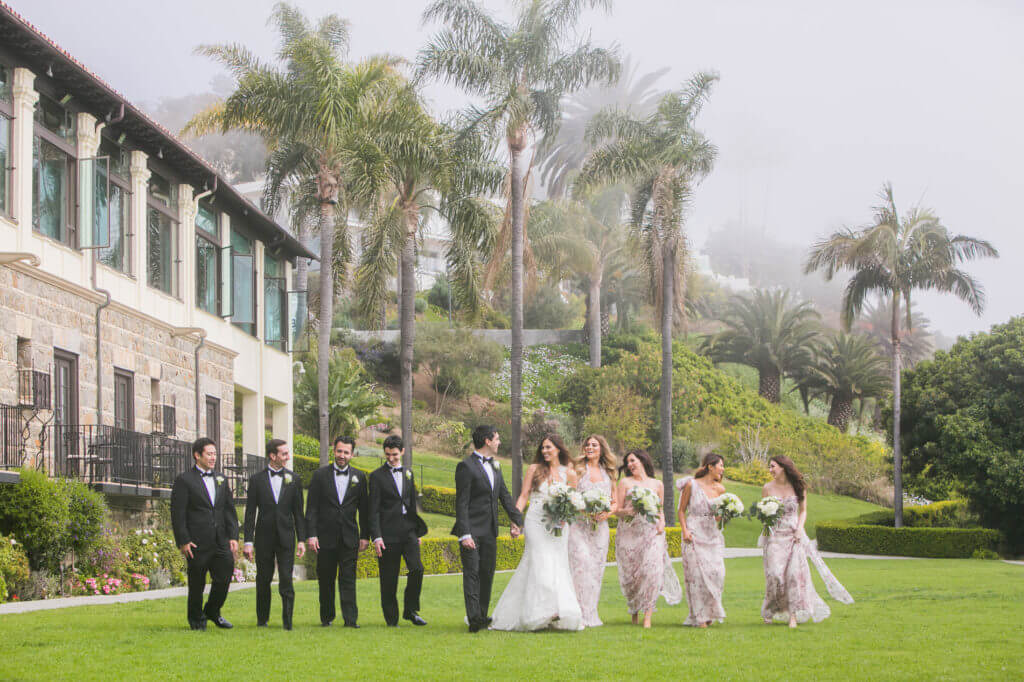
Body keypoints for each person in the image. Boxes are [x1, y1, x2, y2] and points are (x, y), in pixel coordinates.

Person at [490, 434, 584, 632]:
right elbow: (524, 496)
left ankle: (556, 609)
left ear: (558, 449)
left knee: (557, 564)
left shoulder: (570, 473)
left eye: (549, 447)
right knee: (539, 561)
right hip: (535, 521)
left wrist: (563, 518)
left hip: (558, 525)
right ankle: (540, 612)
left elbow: (573, 502)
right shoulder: (534, 469)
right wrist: (516, 520)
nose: (545, 451)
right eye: (543, 448)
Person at [760, 455, 854, 627]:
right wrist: (766, 518)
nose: (770, 470)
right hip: (774, 536)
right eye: (770, 467)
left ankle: (793, 616)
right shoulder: (767, 488)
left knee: (795, 575)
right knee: (774, 575)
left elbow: (803, 511)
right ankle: (770, 610)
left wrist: (799, 528)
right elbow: (763, 510)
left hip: (794, 535)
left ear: (783, 467)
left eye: (772, 466)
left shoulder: (798, 487)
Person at [452, 425, 524, 633]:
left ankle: (482, 615)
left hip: (490, 531)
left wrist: (518, 521)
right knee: (472, 574)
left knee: (487, 573)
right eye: (497, 438)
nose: (499, 442)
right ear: (487, 440)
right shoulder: (465, 467)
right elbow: (462, 503)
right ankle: (474, 618)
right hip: (472, 531)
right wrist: (464, 533)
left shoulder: (496, 466)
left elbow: (505, 497)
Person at [170, 437, 239, 631]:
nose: (213, 458)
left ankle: (212, 611)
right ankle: (196, 620)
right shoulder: (184, 480)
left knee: (224, 577)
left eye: (215, 454)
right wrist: (184, 540)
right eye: (209, 454)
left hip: (220, 540)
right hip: (197, 542)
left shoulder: (221, 479)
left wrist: (233, 536)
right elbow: (178, 513)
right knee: (197, 583)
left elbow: (229, 510)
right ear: (197, 455)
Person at [613, 449, 682, 628]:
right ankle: (634, 611)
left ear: (643, 461)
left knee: (652, 572)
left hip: (652, 534)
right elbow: (617, 510)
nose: (630, 464)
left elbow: (660, 510)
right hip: (629, 533)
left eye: (633, 460)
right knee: (632, 577)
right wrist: (628, 511)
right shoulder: (625, 482)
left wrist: (662, 524)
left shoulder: (657, 484)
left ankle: (648, 617)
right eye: (628, 462)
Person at [305, 436, 369, 628]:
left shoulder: (360, 477)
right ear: (334, 451)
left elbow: (364, 510)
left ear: (352, 454)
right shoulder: (319, 476)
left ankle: (351, 620)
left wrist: (365, 536)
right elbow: (312, 508)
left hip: (350, 538)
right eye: (339, 451)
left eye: (346, 452)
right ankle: (327, 618)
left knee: (348, 579)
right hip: (325, 537)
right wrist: (312, 534)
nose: (342, 455)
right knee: (325, 579)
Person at [242, 438, 306, 630]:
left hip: (286, 537)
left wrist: (301, 539)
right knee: (263, 578)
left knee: (286, 578)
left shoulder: (294, 479)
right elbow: (250, 513)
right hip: (264, 538)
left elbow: (298, 514)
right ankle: (262, 620)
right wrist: (248, 541)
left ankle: (288, 622)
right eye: (284, 453)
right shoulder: (256, 480)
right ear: (272, 456)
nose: (288, 457)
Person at [368, 435, 428, 627]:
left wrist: (417, 533)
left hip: (409, 531)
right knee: (388, 579)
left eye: (394, 454)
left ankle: (410, 610)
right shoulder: (376, 477)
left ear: (402, 452)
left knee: (417, 569)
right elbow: (373, 510)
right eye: (387, 455)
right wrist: (376, 537)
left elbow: (411, 505)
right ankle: (391, 620)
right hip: (387, 533)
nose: (391, 458)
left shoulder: (409, 473)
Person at [568, 434, 617, 627]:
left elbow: (615, 502)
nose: (589, 447)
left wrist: (607, 514)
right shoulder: (577, 469)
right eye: (587, 444)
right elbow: (570, 495)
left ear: (602, 449)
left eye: (594, 445)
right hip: (579, 525)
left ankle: (590, 612)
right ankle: (576, 612)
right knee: (580, 565)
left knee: (595, 569)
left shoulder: (610, 472)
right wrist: (583, 508)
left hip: (600, 529)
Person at [676, 452, 727, 628]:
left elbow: (719, 518)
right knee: (696, 577)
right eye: (720, 465)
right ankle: (699, 617)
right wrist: (685, 531)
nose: (723, 469)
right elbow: (681, 510)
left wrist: (727, 514)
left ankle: (710, 612)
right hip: (694, 533)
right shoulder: (691, 485)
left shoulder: (721, 490)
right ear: (710, 467)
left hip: (712, 535)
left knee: (717, 574)